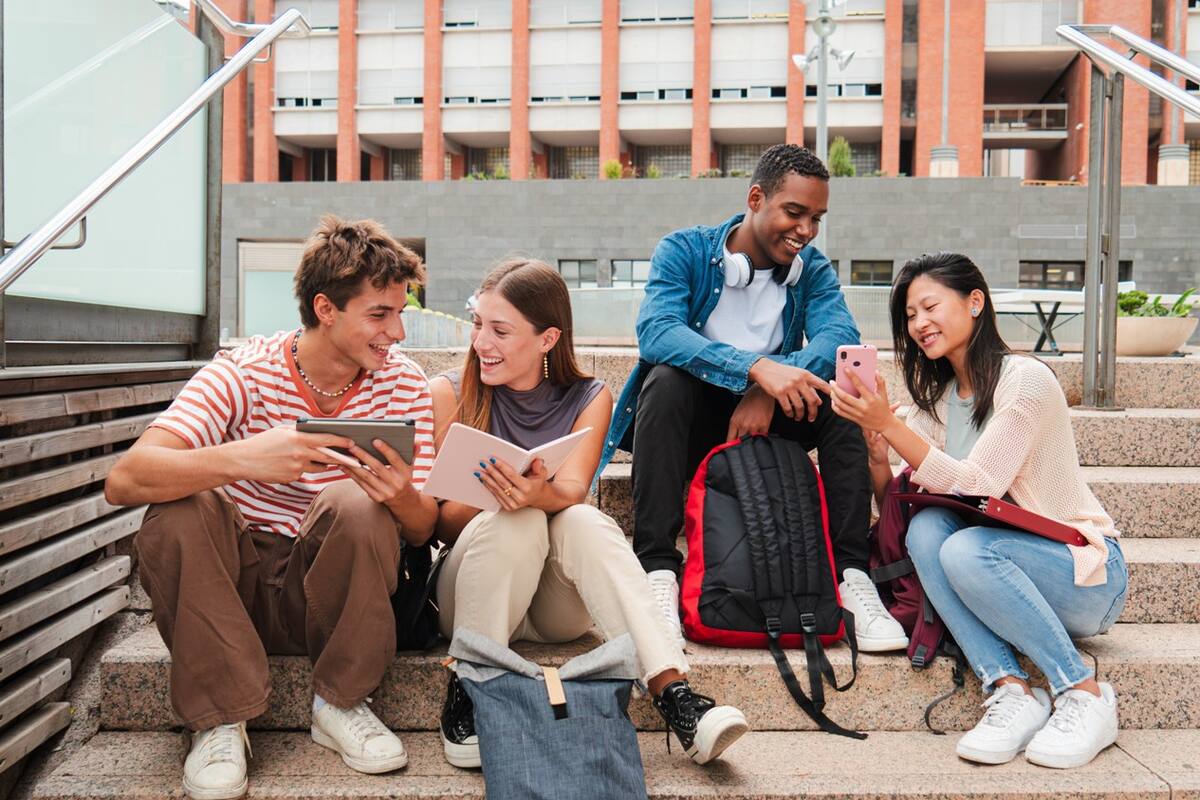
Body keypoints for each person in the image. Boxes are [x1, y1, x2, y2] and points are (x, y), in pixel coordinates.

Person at [105, 216, 439, 800]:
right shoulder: (243, 370)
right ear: (326, 309)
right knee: (181, 507)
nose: (398, 333)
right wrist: (247, 458)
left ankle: (341, 703)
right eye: (381, 315)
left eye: (401, 312)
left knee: (355, 502)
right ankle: (217, 719)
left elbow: (425, 524)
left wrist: (399, 495)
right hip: (232, 595)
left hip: (333, 594)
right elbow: (126, 478)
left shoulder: (404, 384)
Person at [430, 258, 749, 769]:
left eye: (499, 330)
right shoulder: (448, 392)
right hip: (473, 592)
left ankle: (675, 695)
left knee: (578, 518)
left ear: (547, 338)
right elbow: (439, 524)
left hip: (556, 608)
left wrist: (535, 491)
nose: (480, 342)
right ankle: (470, 684)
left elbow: (575, 491)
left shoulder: (589, 397)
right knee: (519, 517)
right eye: (477, 324)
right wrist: (494, 492)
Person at [597, 143, 907, 654]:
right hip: (691, 423)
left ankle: (851, 578)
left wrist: (769, 388)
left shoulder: (813, 270)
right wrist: (754, 371)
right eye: (794, 212)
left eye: (816, 218)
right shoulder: (685, 250)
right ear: (757, 197)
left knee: (843, 397)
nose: (806, 230)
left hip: (774, 418)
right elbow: (658, 332)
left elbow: (838, 337)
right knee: (666, 380)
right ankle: (657, 572)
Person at [828, 252, 1128, 769]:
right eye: (909, 317)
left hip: (1085, 572)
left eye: (929, 307)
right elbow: (896, 511)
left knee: (964, 546)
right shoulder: (939, 402)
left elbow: (979, 484)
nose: (919, 324)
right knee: (926, 531)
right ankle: (1010, 688)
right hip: (996, 575)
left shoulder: (1025, 380)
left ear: (975, 302)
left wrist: (895, 428)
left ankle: (1084, 691)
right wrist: (880, 453)